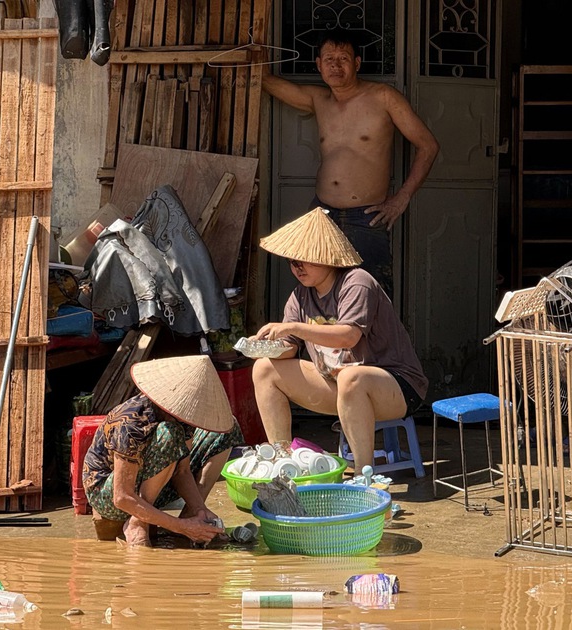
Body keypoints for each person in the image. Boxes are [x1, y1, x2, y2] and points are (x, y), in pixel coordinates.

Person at [262, 28, 440, 299]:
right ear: (318, 65)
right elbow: (266, 81)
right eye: (329, 59)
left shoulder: (383, 97)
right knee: (318, 294)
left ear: (356, 63)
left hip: (365, 217)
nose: (335, 65)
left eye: (343, 58)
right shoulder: (318, 99)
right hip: (322, 214)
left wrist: (402, 198)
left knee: (370, 297)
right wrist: (253, 51)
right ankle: (321, 342)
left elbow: (428, 145)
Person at [251, 207, 429, 471]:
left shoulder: (357, 282)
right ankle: (282, 462)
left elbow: (348, 336)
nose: (297, 267)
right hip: (337, 385)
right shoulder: (299, 296)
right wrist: (264, 346)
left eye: (304, 259)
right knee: (264, 368)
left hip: (396, 386)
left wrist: (296, 328)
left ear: (327, 257)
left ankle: (363, 473)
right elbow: (289, 350)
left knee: (351, 378)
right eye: (292, 261)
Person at [82, 355, 244, 547]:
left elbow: (182, 471)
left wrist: (199, 508)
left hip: (156, 483)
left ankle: (193, 515)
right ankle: (137, 522)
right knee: (170, 434)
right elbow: (122, 498)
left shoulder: (183, 418)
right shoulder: (131, 422)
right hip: (109, 494)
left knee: (227, 430)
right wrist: (181, 527)